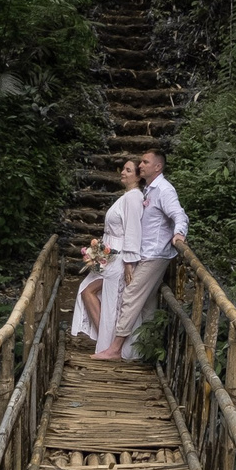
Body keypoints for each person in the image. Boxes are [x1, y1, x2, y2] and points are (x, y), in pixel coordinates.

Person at [108, 147, 185, 359]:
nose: (140, 165)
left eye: (145, 162)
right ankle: (146, 350)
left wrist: (179, 233)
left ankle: (115, 348)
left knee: (131, 294)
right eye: (140, 162)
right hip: (147, 252)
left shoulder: (164, 190)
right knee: (148, 301)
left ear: (158, 166)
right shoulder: (150, 189)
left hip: (156, 253)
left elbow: (178, 213)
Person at [72, 158, 144, 354]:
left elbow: (133, 230)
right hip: (110, 252)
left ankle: (110, 346)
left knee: (96, 293)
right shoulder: (127, 196)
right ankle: (110, 344)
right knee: (91, 291)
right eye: (124, 169)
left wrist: (129, 261)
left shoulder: (133, 198)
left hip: (120, 255)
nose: (123, 172)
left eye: (129, 170)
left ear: (138, 176)